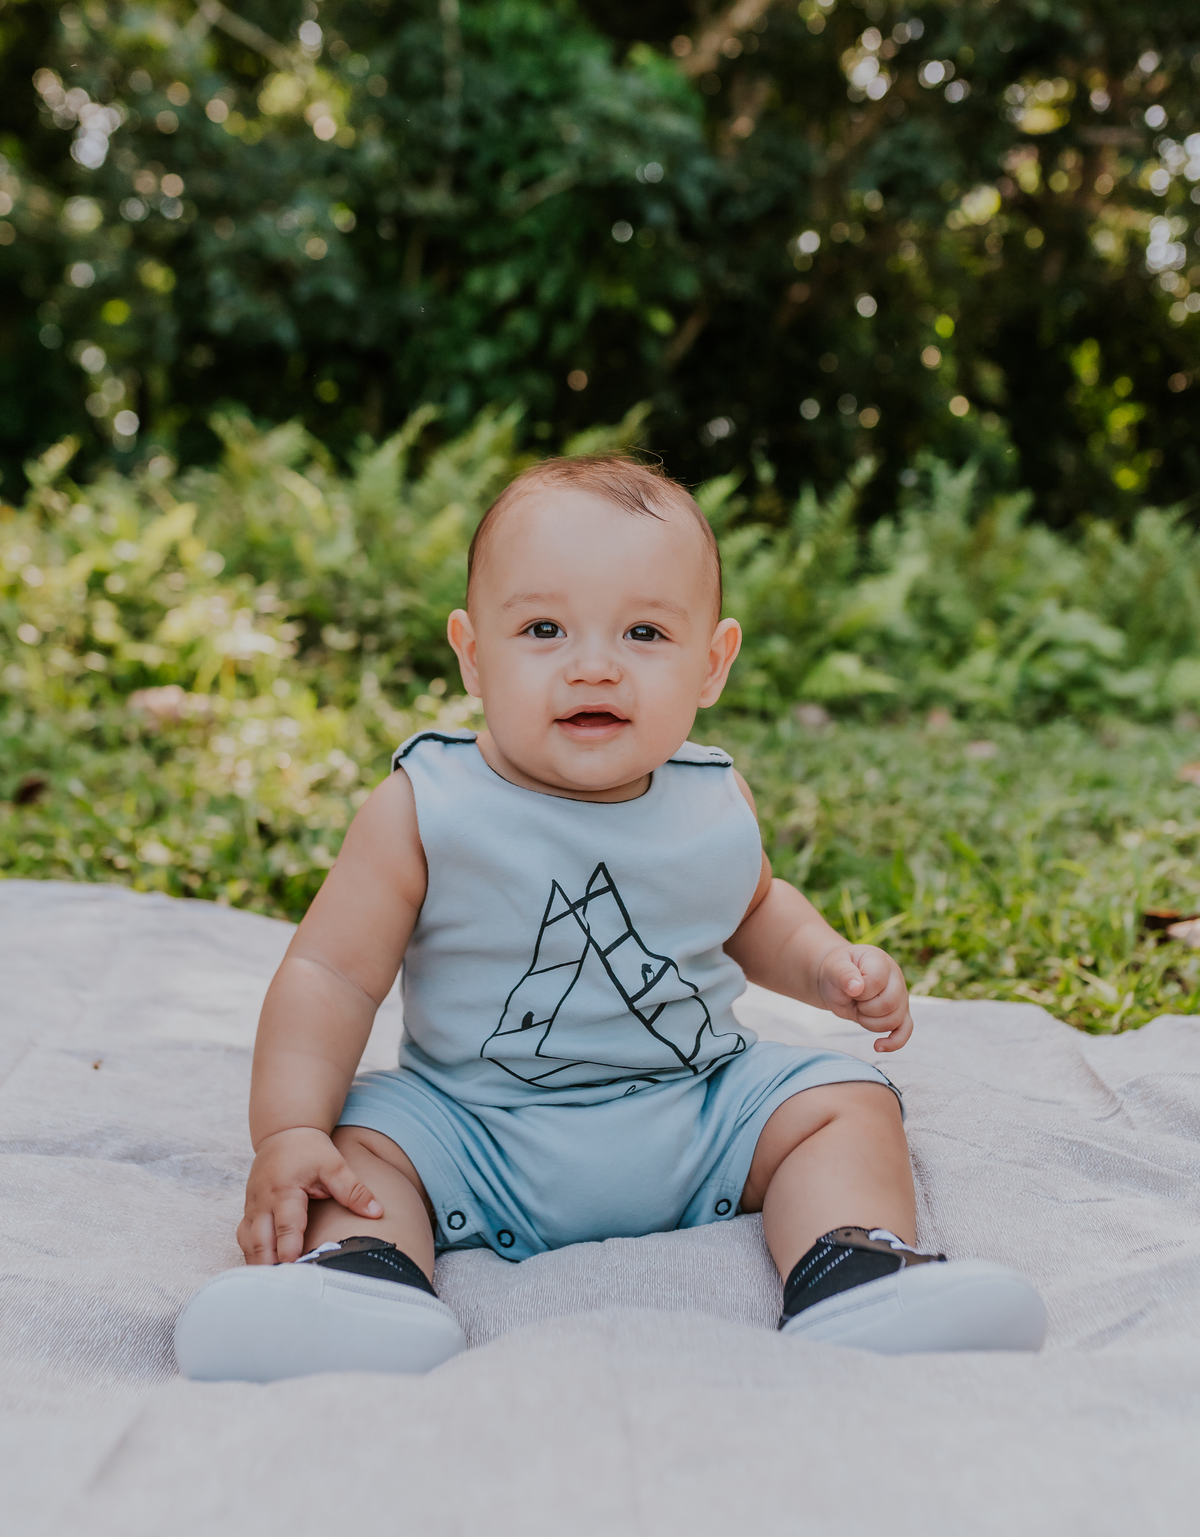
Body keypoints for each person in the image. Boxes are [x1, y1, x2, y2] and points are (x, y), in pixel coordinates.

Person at [174, 455, 1045, 1381]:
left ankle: (855, 1271)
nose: (594, 666)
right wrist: (289, 1131)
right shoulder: (424, 804)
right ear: (473, 655)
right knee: (359, 1144)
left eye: (643, 632)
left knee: (846, 1101)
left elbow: (753, 911)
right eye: (544, 628)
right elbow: (331, 976)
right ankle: (357, 1282)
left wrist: (828, 965)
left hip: (697, 1115)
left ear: (712, 664)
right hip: (474, 1127)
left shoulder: (713, 799)